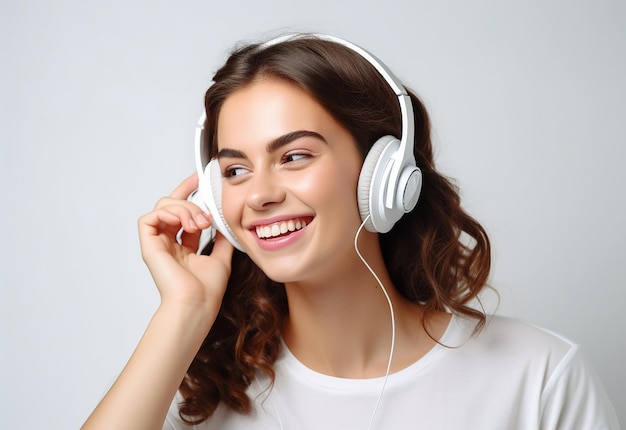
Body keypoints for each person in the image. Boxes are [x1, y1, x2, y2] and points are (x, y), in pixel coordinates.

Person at [82, 33, 619, 430]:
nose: (258, 193)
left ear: (383, 175)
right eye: (235, 170)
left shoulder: (539, 377)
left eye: (293, 156)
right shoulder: (197, 396)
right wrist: (183, 311)